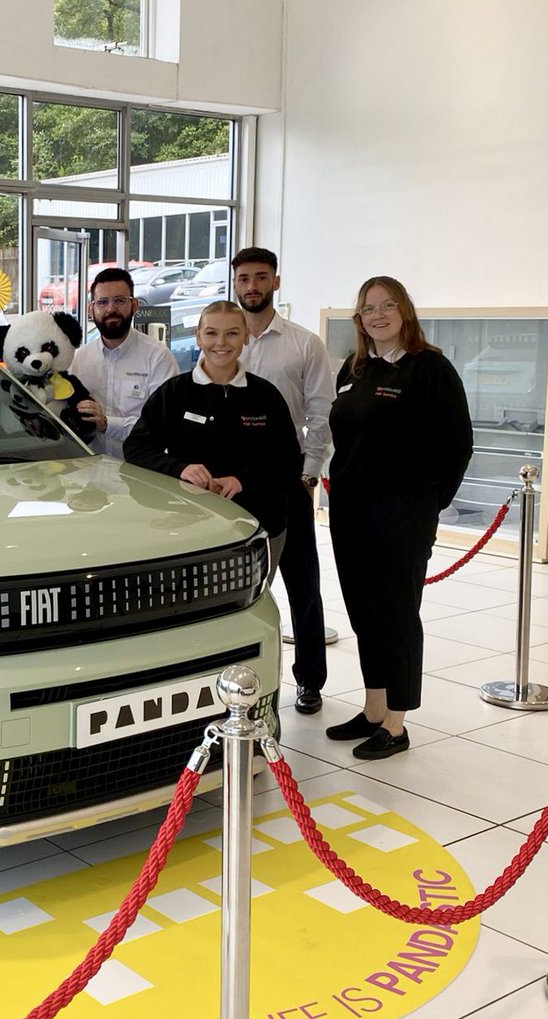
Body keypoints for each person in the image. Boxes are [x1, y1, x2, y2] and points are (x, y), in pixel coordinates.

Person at [326, 276, 473, 760]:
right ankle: (373, 708)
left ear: (405, 311)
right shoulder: (357, 367)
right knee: (363, 610)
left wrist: (427, 505)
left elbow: (458, 445)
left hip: (401, 513)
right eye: (369, 308)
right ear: (359, 318)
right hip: (350, 509)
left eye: (388, 305)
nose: (378, 315)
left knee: (396, 613)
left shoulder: (430, 368)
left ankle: (397, 722)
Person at [124, 300, 300, 572]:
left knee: (255, 594)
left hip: (260, 525)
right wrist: (181, 469)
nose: (221, 342)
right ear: (198, 336)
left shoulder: (266, 395)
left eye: (232, 333)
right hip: (190, 526)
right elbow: (136, 448)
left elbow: (288, 459)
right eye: (211, 333)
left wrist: (242, 481)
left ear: (246, 337)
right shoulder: (174, 393)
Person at [233, 247, 335, 716]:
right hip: (229, 481)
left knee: (301, 582)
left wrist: (309, 472)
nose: (251, 286)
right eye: (244, 278)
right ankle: (240, 681)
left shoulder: (304, 343)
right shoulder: (224, 338)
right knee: (240, 586)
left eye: (260, 277)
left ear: (276, 282)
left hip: (286, 475)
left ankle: (310, 679)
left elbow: (321, 412)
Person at [71, 266, 179, 458]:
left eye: (120, 301)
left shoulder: (158, 357)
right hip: (89, 469)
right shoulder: (78, 360)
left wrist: (106, 423)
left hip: (140, 469)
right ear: (91, 310)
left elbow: (164, 425)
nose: (111, 309)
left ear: (134, 305)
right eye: (102, 302)